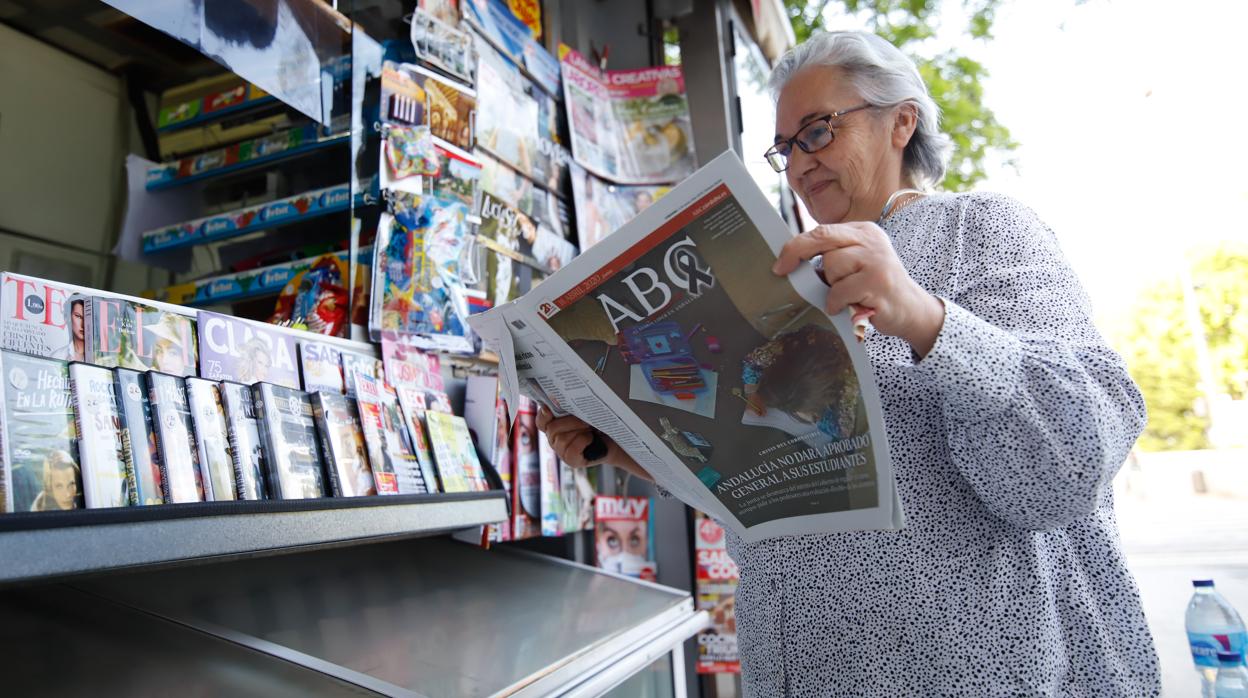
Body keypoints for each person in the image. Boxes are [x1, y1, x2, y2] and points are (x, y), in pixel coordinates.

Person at [537, 30, 1160, 696]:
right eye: (785, 148)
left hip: (974, 670)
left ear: (902, 122)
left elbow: (1072, 462)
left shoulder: (978, 229)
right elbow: (767, 488)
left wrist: (925, 319)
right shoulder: (791, 275)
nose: (799, 164)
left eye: (817, 131)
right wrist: (627, 447)